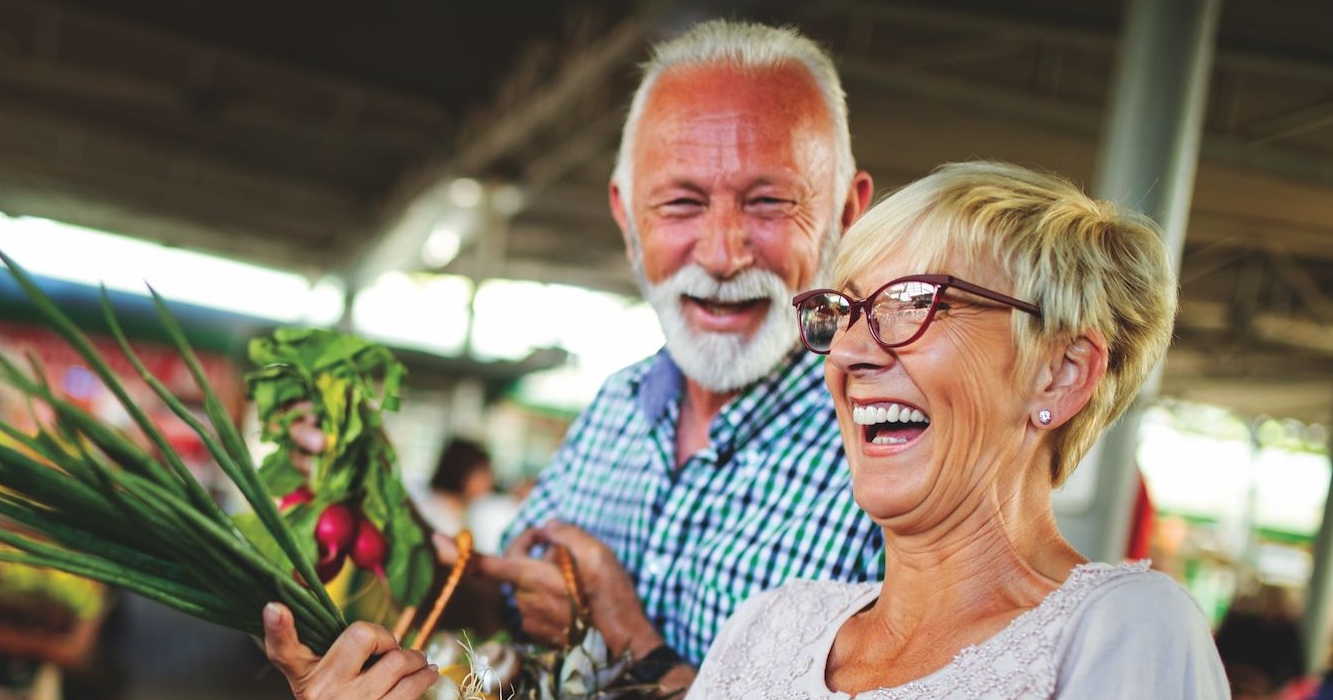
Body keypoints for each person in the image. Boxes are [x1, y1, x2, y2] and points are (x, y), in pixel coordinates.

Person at [264, 19, 882, 698]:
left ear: (848, 214)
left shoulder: (889, 455)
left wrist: (625, 641)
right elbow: (499, 614)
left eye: (769, 202)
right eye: (681, 203)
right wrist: (381, 505)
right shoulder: (620, 404)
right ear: (626, 220)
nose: (721, 254)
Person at [685, 161, 1227, 698]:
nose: (848, 351)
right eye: (846, 309)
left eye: (915, 302)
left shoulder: (1120, 628)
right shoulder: (768, 626)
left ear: (1060, 374)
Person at [417, 437, 496, 536]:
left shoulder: (460, 513)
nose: (490, 480)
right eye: (483, 473)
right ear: (464, 473)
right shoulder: (434, 513)